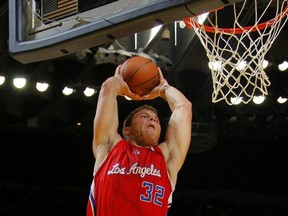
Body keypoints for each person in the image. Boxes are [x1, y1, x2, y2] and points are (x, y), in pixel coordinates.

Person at [86, 64, 192, 216]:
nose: (152, 119)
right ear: (126, 130)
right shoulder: (110, 147)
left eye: (155, 119)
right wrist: (118, 81)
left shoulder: (165, 156)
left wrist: (164, 89)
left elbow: (184, 106)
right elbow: (108, 89)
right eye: (144, 116)